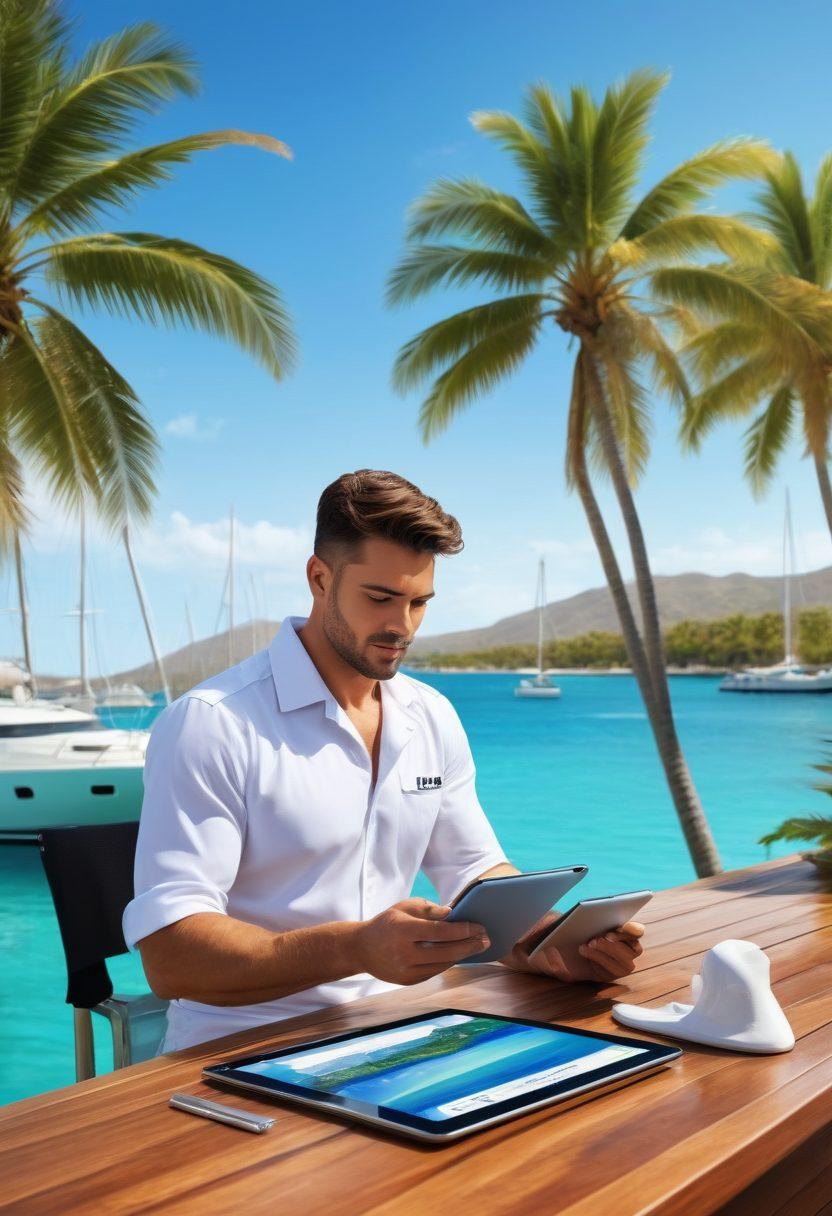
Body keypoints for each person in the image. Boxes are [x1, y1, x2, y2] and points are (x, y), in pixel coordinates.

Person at [123, 470, 644, 1051]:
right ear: (319, 578)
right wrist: (355, 949)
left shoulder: (431, 715)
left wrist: (550, 940)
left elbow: (475, 871)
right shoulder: (213, 722)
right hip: (242, 1047)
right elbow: (171, 957)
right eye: (380, 598)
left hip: (402, 1030)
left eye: (420, 602)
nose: (403, 625)